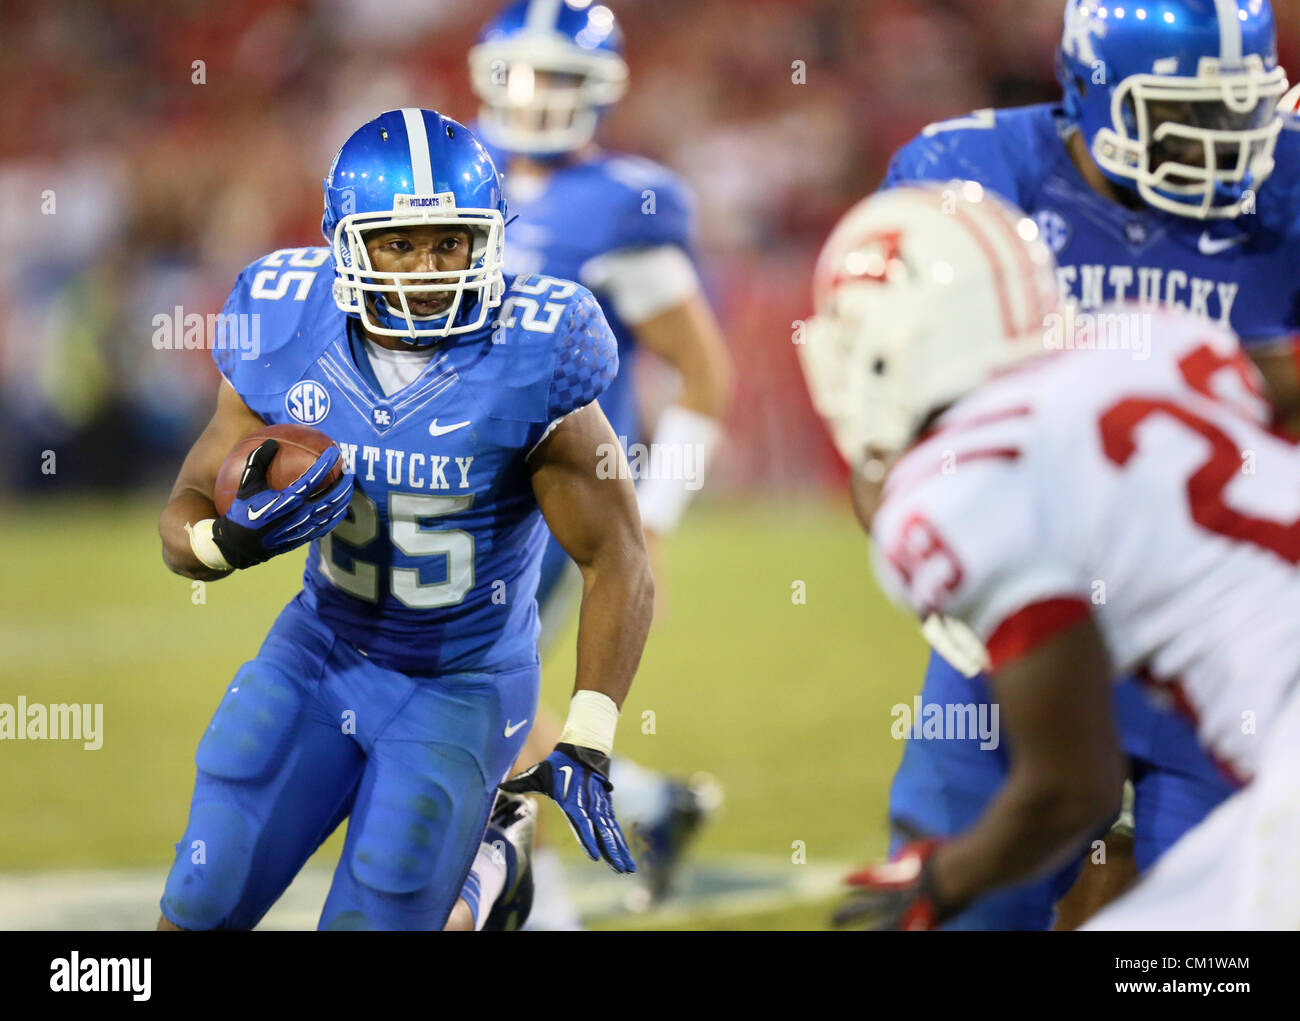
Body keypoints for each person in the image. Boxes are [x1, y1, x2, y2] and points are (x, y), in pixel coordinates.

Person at [156, 108, 653, 930]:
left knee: (382, 908)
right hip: (321, 648)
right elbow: (186, 503)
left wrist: (589, 733)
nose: (427, 268)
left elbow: (618, 557)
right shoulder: (283, 317)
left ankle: (485, 868)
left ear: (488, 238)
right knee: (202, 896)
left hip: (462, 680)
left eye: (450, 242)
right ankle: (484, 866)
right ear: (345, 244)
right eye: (398, 243)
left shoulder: (537, 347)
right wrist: (221, 541)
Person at [872, 0, 1300, 928]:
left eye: (1240, 106)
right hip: (1035, 608)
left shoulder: (1289, 180)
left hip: (1219, 629)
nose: (1226, 138)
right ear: (1093, 91)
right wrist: (956, 592)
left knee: (1208, 954)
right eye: (1190, 112)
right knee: (965, 915)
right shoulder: (972, 177)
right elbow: (888, 406)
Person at [466, 0, 733, 919]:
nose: (535, 96)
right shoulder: (451, 173)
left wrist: (652, 518)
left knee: (470, 696)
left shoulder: (624, 203)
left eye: (559, 77)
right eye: (521, 74)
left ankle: (539, 906)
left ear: (601, 90)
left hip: (553, 497)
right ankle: (654, 805)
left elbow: (704, 374)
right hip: (449, 486)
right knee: (462, 693)